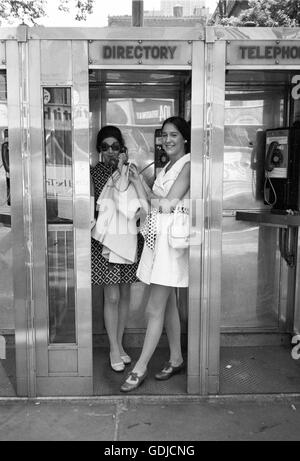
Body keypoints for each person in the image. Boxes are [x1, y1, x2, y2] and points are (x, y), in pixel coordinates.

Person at [120, 116, 190, 392]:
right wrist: (138, 182)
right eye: (164, 135)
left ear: (184, 137)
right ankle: (176, 358)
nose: (168, 140)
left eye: (174, 135)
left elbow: (166, 205)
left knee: (154, 308)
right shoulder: (168, 167)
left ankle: (139, 368)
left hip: (172, 247)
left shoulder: (189, 165)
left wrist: (151, 199)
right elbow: (152, 203)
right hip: (158, 242)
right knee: (169, 304)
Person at [91, 125, 142, 373]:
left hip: (128, 240)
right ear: (99, 151)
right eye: (105, 147)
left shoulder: (129, 171)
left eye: (115, 147)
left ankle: (119, 345)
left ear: (122, 148)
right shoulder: (93, 174)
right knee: (111, 297)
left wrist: (125, 168)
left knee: (124, 296)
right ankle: (113, 347)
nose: (110, 151)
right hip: (106, 245)